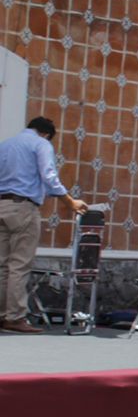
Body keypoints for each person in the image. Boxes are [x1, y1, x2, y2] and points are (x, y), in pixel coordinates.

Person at [0, 117, 87, 333]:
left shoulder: (6, 145)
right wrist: (70, 202)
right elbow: (49, 176)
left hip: (2, 205)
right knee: (19, 265)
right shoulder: (41, 144)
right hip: (23, 209)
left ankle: (2, 314)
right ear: (47, 134)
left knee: (1, 266)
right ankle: (15, 317)